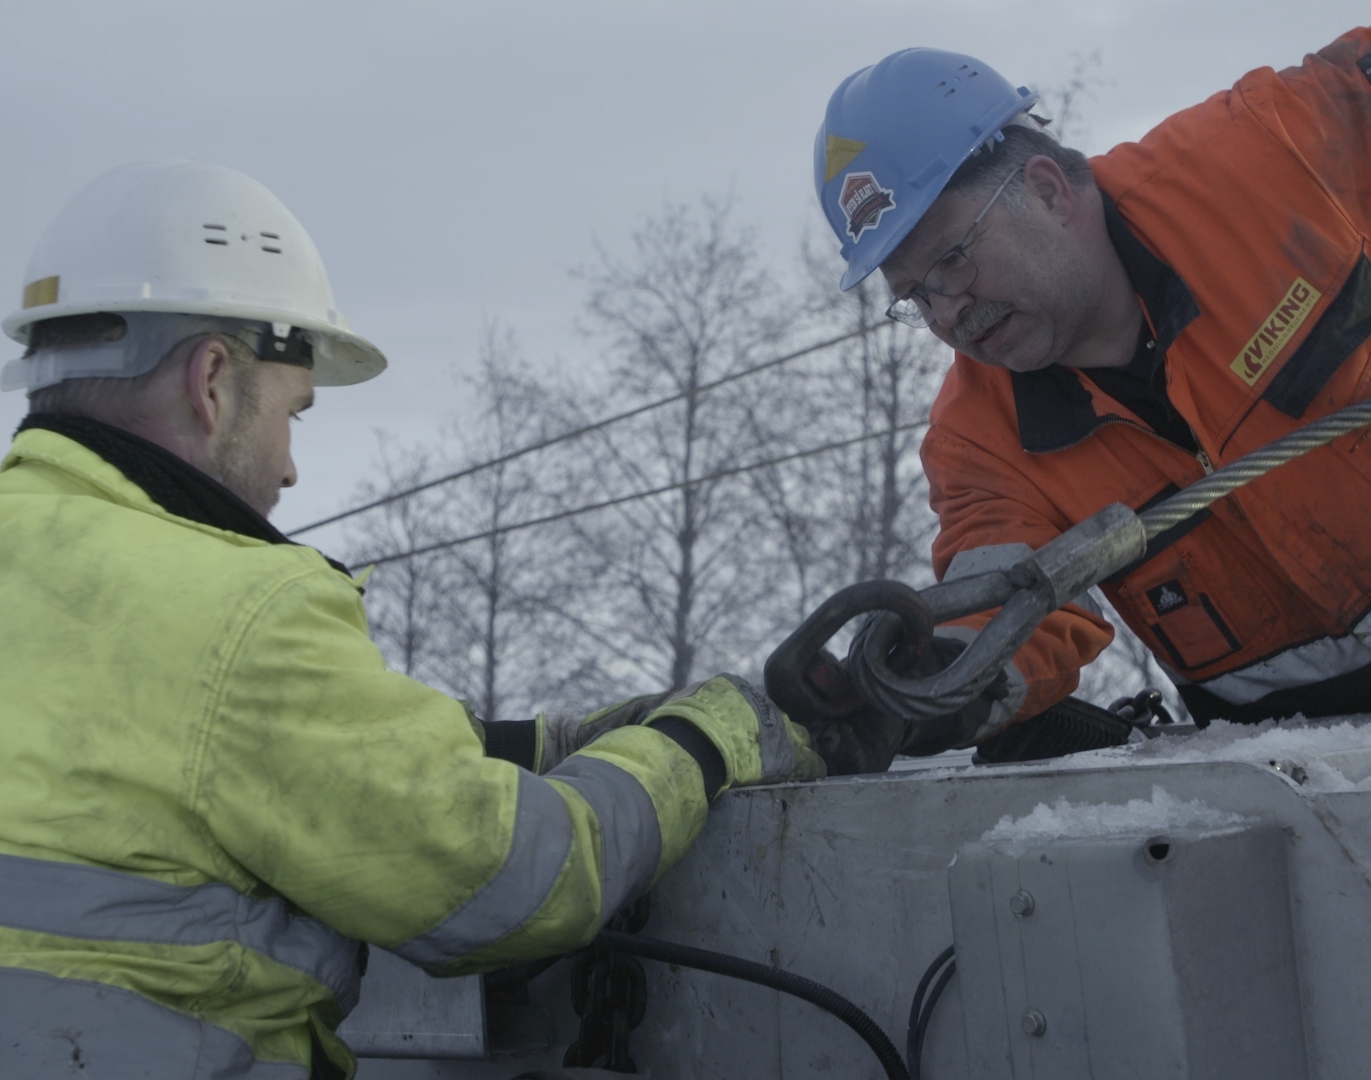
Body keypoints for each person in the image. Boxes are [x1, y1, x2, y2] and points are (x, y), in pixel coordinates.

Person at [0, 160, 823, 1079]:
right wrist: (706, 739)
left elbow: (189, 754)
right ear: (213, 381)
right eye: (295, 415)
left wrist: (547, 745)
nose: (290, 469)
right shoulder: (235, 608)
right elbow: (511, 882)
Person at [810, 5, 1371, 751]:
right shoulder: (979, 445)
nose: (948, 312)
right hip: (1318, 773)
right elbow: (996, 608)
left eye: (952, 259)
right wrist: (925, 688)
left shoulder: (1264, 158)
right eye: (916, 297)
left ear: (1047, 190)